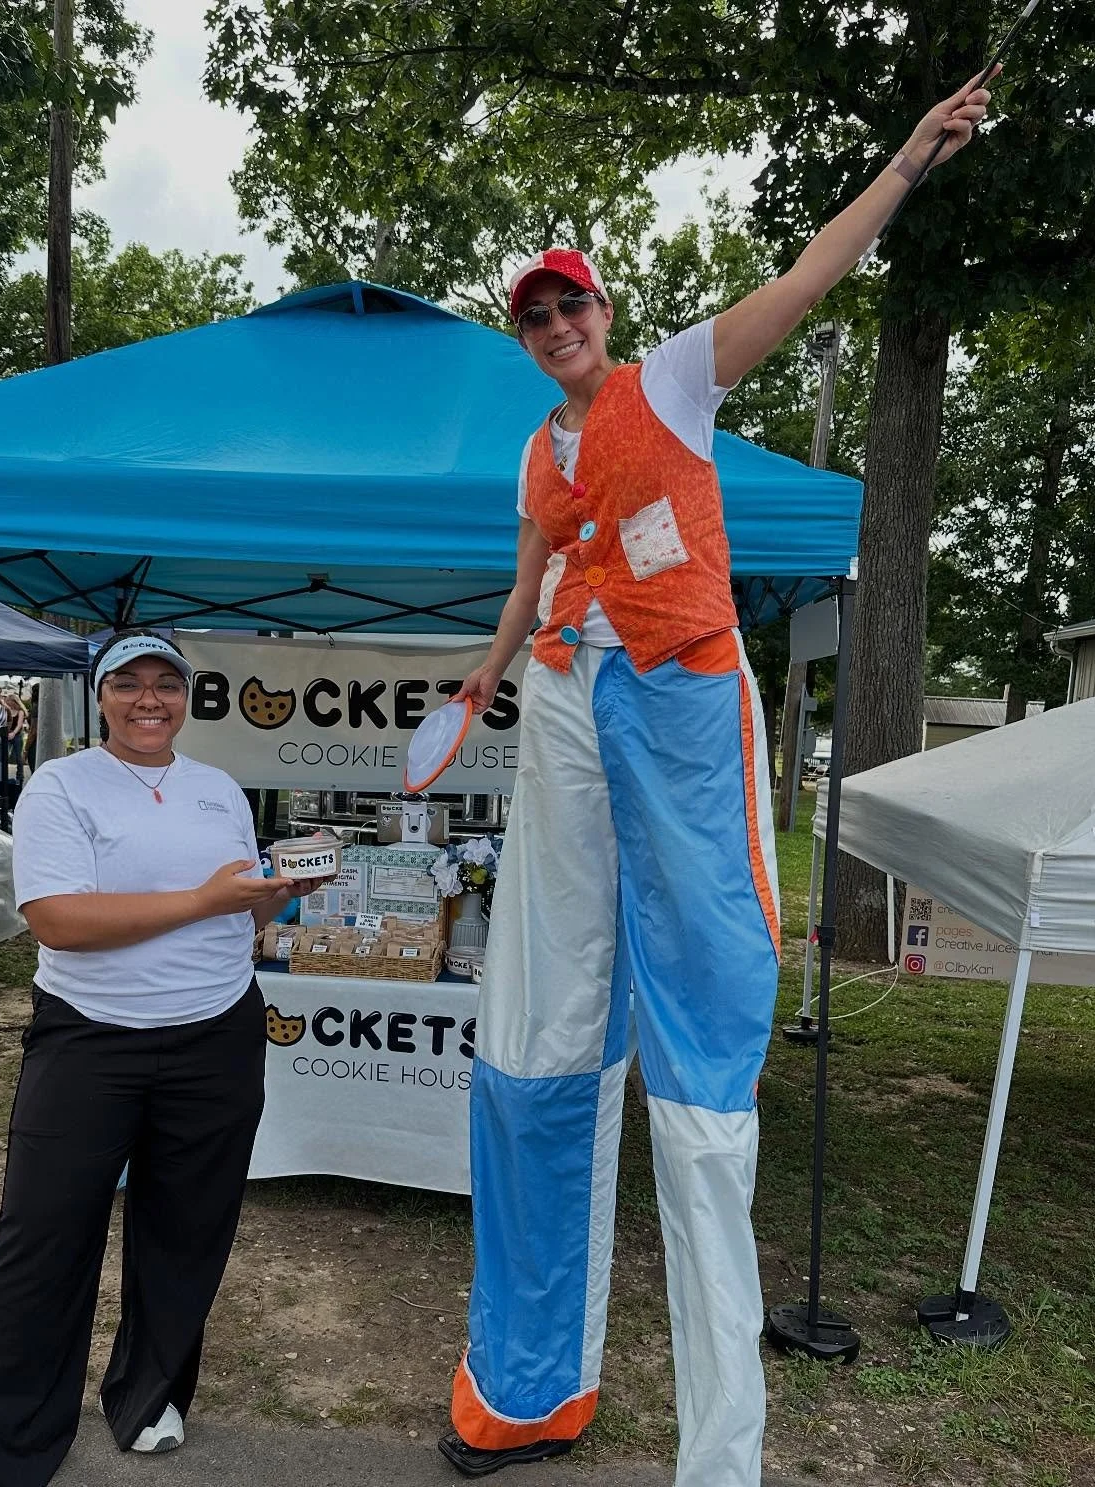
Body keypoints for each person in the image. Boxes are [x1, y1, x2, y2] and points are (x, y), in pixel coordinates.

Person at [440, 76, 996, 1487]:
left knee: (701, 1060)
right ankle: (524, 1390)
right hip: (567, 690)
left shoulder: (672, 380)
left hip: (682, 698)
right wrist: (473, 686)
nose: (557, 326)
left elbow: (810, 276)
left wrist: (910, 160)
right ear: (523, 337)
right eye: (534, 314)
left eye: (572, 304)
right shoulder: (535, 449)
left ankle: (721, 1458)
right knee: (541, 1024)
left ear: (605, 314)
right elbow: (528, 579)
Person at [0, 630, 326, 1487]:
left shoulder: (218, 790)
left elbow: (237, 917)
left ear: (188, 696)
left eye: (166, 685)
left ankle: (148, 1393)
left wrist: (270, 897)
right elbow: (60, 920)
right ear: (101, 695)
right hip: (90, 1035)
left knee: (186, 1226)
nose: (151, 700)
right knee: (43, 1231)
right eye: (130, 684)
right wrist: (205, 898)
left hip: (215, 1032)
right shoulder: (64, 785)